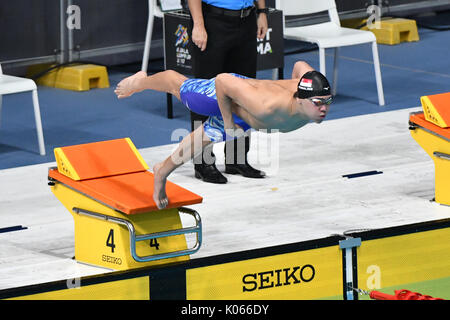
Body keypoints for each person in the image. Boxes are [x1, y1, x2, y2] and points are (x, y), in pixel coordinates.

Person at [114, 60, 333, 209]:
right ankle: (140, 81)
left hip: (245, 114)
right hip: (229, 95)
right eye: (318, 103)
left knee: (204, 138)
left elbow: (300, 66)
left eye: (327, 102)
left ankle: (161, 171)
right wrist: (228, 124)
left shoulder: (308, 91)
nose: (324, 108)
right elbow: (222, 80)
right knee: (179, 87)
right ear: (301, 100)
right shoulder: (265, 106)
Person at [187, 0, 269, 184]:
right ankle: (203, 162)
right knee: (205, 95)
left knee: (244, 95)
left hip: (246, 20)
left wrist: (262, 12)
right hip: (212, 22)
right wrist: (198, 25)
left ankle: (236, 159)